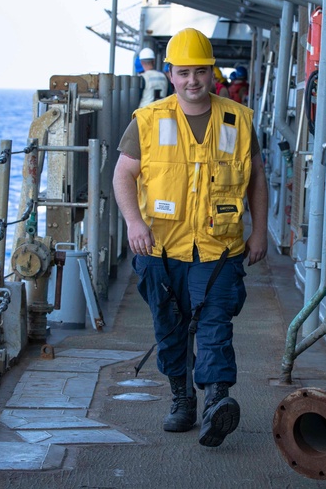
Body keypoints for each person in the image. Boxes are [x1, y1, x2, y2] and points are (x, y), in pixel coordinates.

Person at [113, 27, 268, 448]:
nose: (192, 81)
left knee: (215, 323)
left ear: (212, 72)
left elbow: (256, 177)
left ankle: (217, 402)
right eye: (183, 73)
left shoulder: (237, 119)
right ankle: (182, 400)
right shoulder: (148, 121)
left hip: (218, 249)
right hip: (160, 249)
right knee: (171, 326)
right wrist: (133, 223)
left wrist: (259, 232)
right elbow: (123, 175)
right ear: (171, 73)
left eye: (200, 71)